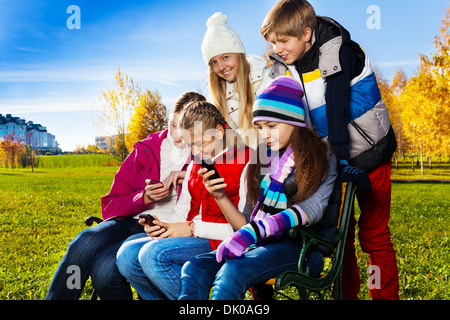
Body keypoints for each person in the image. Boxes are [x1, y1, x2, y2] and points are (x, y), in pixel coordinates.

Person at [259, 0, 399, 299]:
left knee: (373, 235)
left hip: (371, 152)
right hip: (335, 159)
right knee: (340, 238)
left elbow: (336, 109)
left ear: (307, 33)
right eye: (272, 42)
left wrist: (342, 161)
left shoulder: (341, 51)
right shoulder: (282, 66)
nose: (277, 48)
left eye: (283, 41)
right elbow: (283, 117)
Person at [179, 76, 339, 300]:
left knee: (233, 271)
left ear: (294, 121)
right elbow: (245, 222)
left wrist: (252, 232)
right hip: (263, 243)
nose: (264, 134)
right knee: (195, 267)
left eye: (271, 126)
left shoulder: (322, 154)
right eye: (260, 128)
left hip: (304, 248)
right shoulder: (264, 160)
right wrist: (220, 196)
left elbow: (313, 209)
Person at [44, 91, 206, 300]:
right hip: (127, 221)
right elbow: (109, 205)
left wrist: (192, 176)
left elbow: (217, 201)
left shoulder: (206, 153)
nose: (176, 134)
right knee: (82, 243)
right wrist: (143, 198)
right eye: (173, 124)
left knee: (105, 271)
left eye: (185, 127)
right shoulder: (145, 149)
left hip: (162, 228)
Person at [115, 101, 252, 300]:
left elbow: (244, 228)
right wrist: (163, 226)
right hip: (193, 236)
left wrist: (192, 228)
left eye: (200, 143)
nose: (195, 152)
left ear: (220, 132)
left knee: (152, 255)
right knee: (126, 255)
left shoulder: (246, 162)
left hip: (222, 240)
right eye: (190, 146)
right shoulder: (195, 166)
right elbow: (181, 211)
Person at [201, 12, 270, 146]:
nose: (221, 67)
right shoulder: (217, 99)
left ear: (239, 55)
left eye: (225, 57)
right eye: (213, 62)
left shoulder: (265, 79)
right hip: (246, 163)